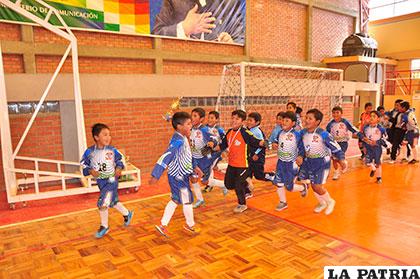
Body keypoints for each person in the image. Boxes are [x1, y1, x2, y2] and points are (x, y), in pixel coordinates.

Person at [150, 112, 201, 238]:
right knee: (187, 200)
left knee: (176, 199)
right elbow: (167, 155)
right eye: (188, 124)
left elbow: (187, 156)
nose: (191, 126)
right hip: (178, 177)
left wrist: (194, 168)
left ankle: (163, 225)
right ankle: (189, 225)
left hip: (180, 176)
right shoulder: (177, 140)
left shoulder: (182, 138)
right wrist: (156, 173)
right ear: (179, 126)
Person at [80, 123, 134, 238]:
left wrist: (119, 168)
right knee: (112, 202)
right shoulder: (89, 152)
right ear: (96, 137)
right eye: (105, 135)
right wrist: (90, 171)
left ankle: (104, 226)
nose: (108, 137)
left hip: (111, 181)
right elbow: (83, 164)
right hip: (101, 182)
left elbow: (120, 160)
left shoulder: (112, 150)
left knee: (102, 203)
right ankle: (127, 214)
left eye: (109, 135)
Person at [214, 110, 266, 213]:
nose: (234, 120)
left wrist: (265, 143)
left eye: (237, 119)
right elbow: (222, 145)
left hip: (244, 165)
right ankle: (246, 184)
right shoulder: (229, 132)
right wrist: (209, 148)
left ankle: (242, 204)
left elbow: (256, 141)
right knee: (228, 184)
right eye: (233, 118)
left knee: (238, 185)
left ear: (242, 121)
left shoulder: (245, 133)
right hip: (232, 164)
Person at [299, 109, 346, 215]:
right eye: (306, 118)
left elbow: (336, 147)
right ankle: (322, 202)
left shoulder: (323, 134)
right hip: (309, 161)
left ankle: (330, 201)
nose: (306, 120)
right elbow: (301, 146)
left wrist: (341, 159)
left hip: (321, 163)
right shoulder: (303, 133)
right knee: (311, 183)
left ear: (317, 121)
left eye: (310, 118)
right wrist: (300, 156)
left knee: (317, 186)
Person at [152, 0, 245, 44]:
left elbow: (241, 39)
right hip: (182, 70)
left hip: (219, 70)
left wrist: (231, 44)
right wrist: (184, 28)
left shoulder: (228, 4)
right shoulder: (174, 2)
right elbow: (155, 35)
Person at [270, 111, 307, 211]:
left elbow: (302, 148)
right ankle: (283, 202)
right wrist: (274, 144)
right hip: (281, 163)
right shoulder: (280, 133)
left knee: (289, 187)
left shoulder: (296, 135)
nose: (283, 122)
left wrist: (300, 156)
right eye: (283, 120)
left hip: (292, 164)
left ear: (293, 123)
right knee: (279, 183)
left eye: (287, 120)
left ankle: (303, 187)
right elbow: (276, 142)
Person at [190, 108, 217, 208]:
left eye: (195, 116)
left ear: (201, 119)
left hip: (204, 160)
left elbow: (214, 138)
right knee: (193, 179)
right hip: (195, 159)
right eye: (192, 115)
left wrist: (212, 142)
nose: (192, 118)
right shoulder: (191, 128)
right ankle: (200, 199)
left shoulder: (204, 130)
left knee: (205, 181)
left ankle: (225, 185)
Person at [326, 106, 360, 180]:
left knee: (339, 157)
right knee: (334, 159)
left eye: (337, 112)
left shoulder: (345, 122)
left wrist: (360, 134)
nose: (335, 114)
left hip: (343, 143)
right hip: (334, 143)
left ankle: (344, 163)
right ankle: (336, 172)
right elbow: (326, 133)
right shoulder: (330, 124)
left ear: (341, 114)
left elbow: (353, 129)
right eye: (334, 113)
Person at [245, 112, 273, 198]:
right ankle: (248, 192)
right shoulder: (248, 130)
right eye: (248, 120)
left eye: (251, 120)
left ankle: (273, 176)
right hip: (250, 157)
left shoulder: (256, 132)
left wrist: (256, 154)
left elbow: (263, 144)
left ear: (257, 123)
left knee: (259, 176)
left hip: (257, 157)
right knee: (246, 174)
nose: (248, 122)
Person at [203, 110, 228, 194]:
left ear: (216, 120)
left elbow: (225, 141)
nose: (209, 119)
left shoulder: (219, 130)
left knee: (207, 169)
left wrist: (227, 150)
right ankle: (211, 184)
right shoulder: (204, 128)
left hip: (215, 153)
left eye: (212, 118)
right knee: (209, 169)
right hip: (206, 153)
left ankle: (222, 184)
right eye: (209, 117)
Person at [359, 111, 387, 184]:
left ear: (378, 119)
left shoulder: (381, 129)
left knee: (378, 163)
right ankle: (373, 169)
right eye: (371, 116)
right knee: (367, 162)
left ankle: (379, 178)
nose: (371, 118)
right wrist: (363, 146)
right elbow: (363, 137)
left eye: (374, 116)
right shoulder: (365, 127)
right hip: (368, 147)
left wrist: (377, 142)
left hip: (377, 148)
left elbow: (385, 139)